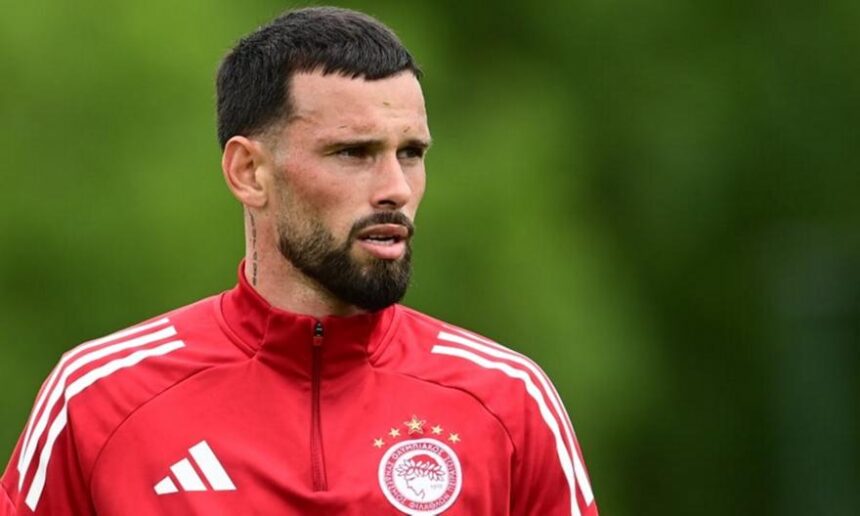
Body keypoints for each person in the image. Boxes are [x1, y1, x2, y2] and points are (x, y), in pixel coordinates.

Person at [1, 7, 598, 515]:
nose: (395, 188)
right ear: (249, 172)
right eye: (353, 152)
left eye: (411, 152)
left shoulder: (507, 402)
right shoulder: (99, 401)